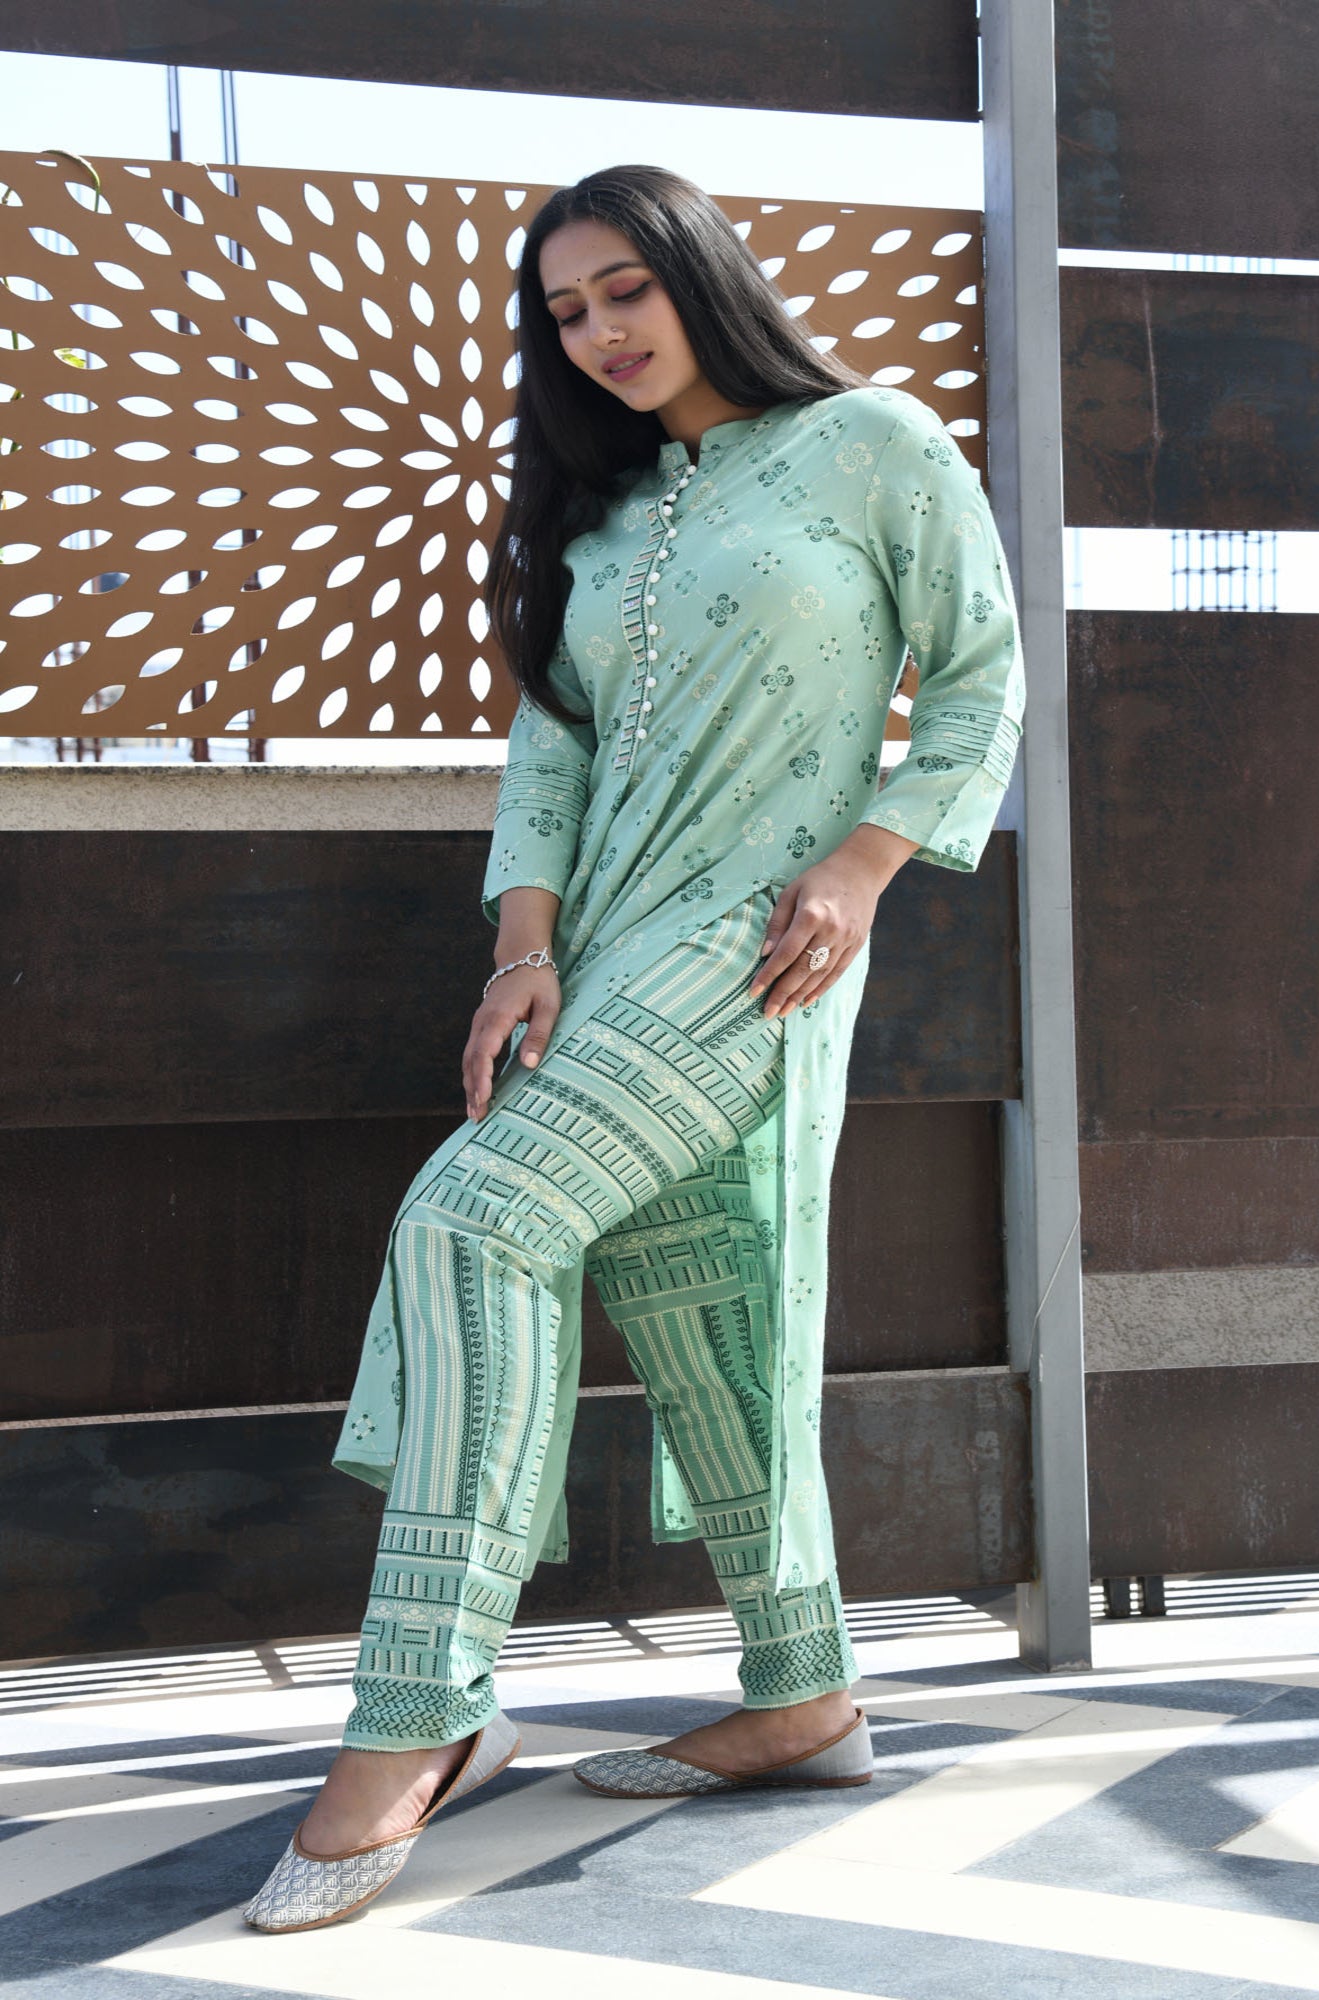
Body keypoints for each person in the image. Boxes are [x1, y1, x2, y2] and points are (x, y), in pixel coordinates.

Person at [244, 162, 1025, 1933]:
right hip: (594, 956)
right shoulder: (595, 519)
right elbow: (551, 756)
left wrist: (864, 866)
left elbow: (981, 678)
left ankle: (421, 1709)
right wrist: (521, 955)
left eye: (623, 290)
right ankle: (805, 1697)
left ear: (698, 274)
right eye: (564, 312)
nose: (598, 332)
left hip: (757, 946)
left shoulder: (872, 443)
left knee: (472, 1222)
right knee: (704, 1303)